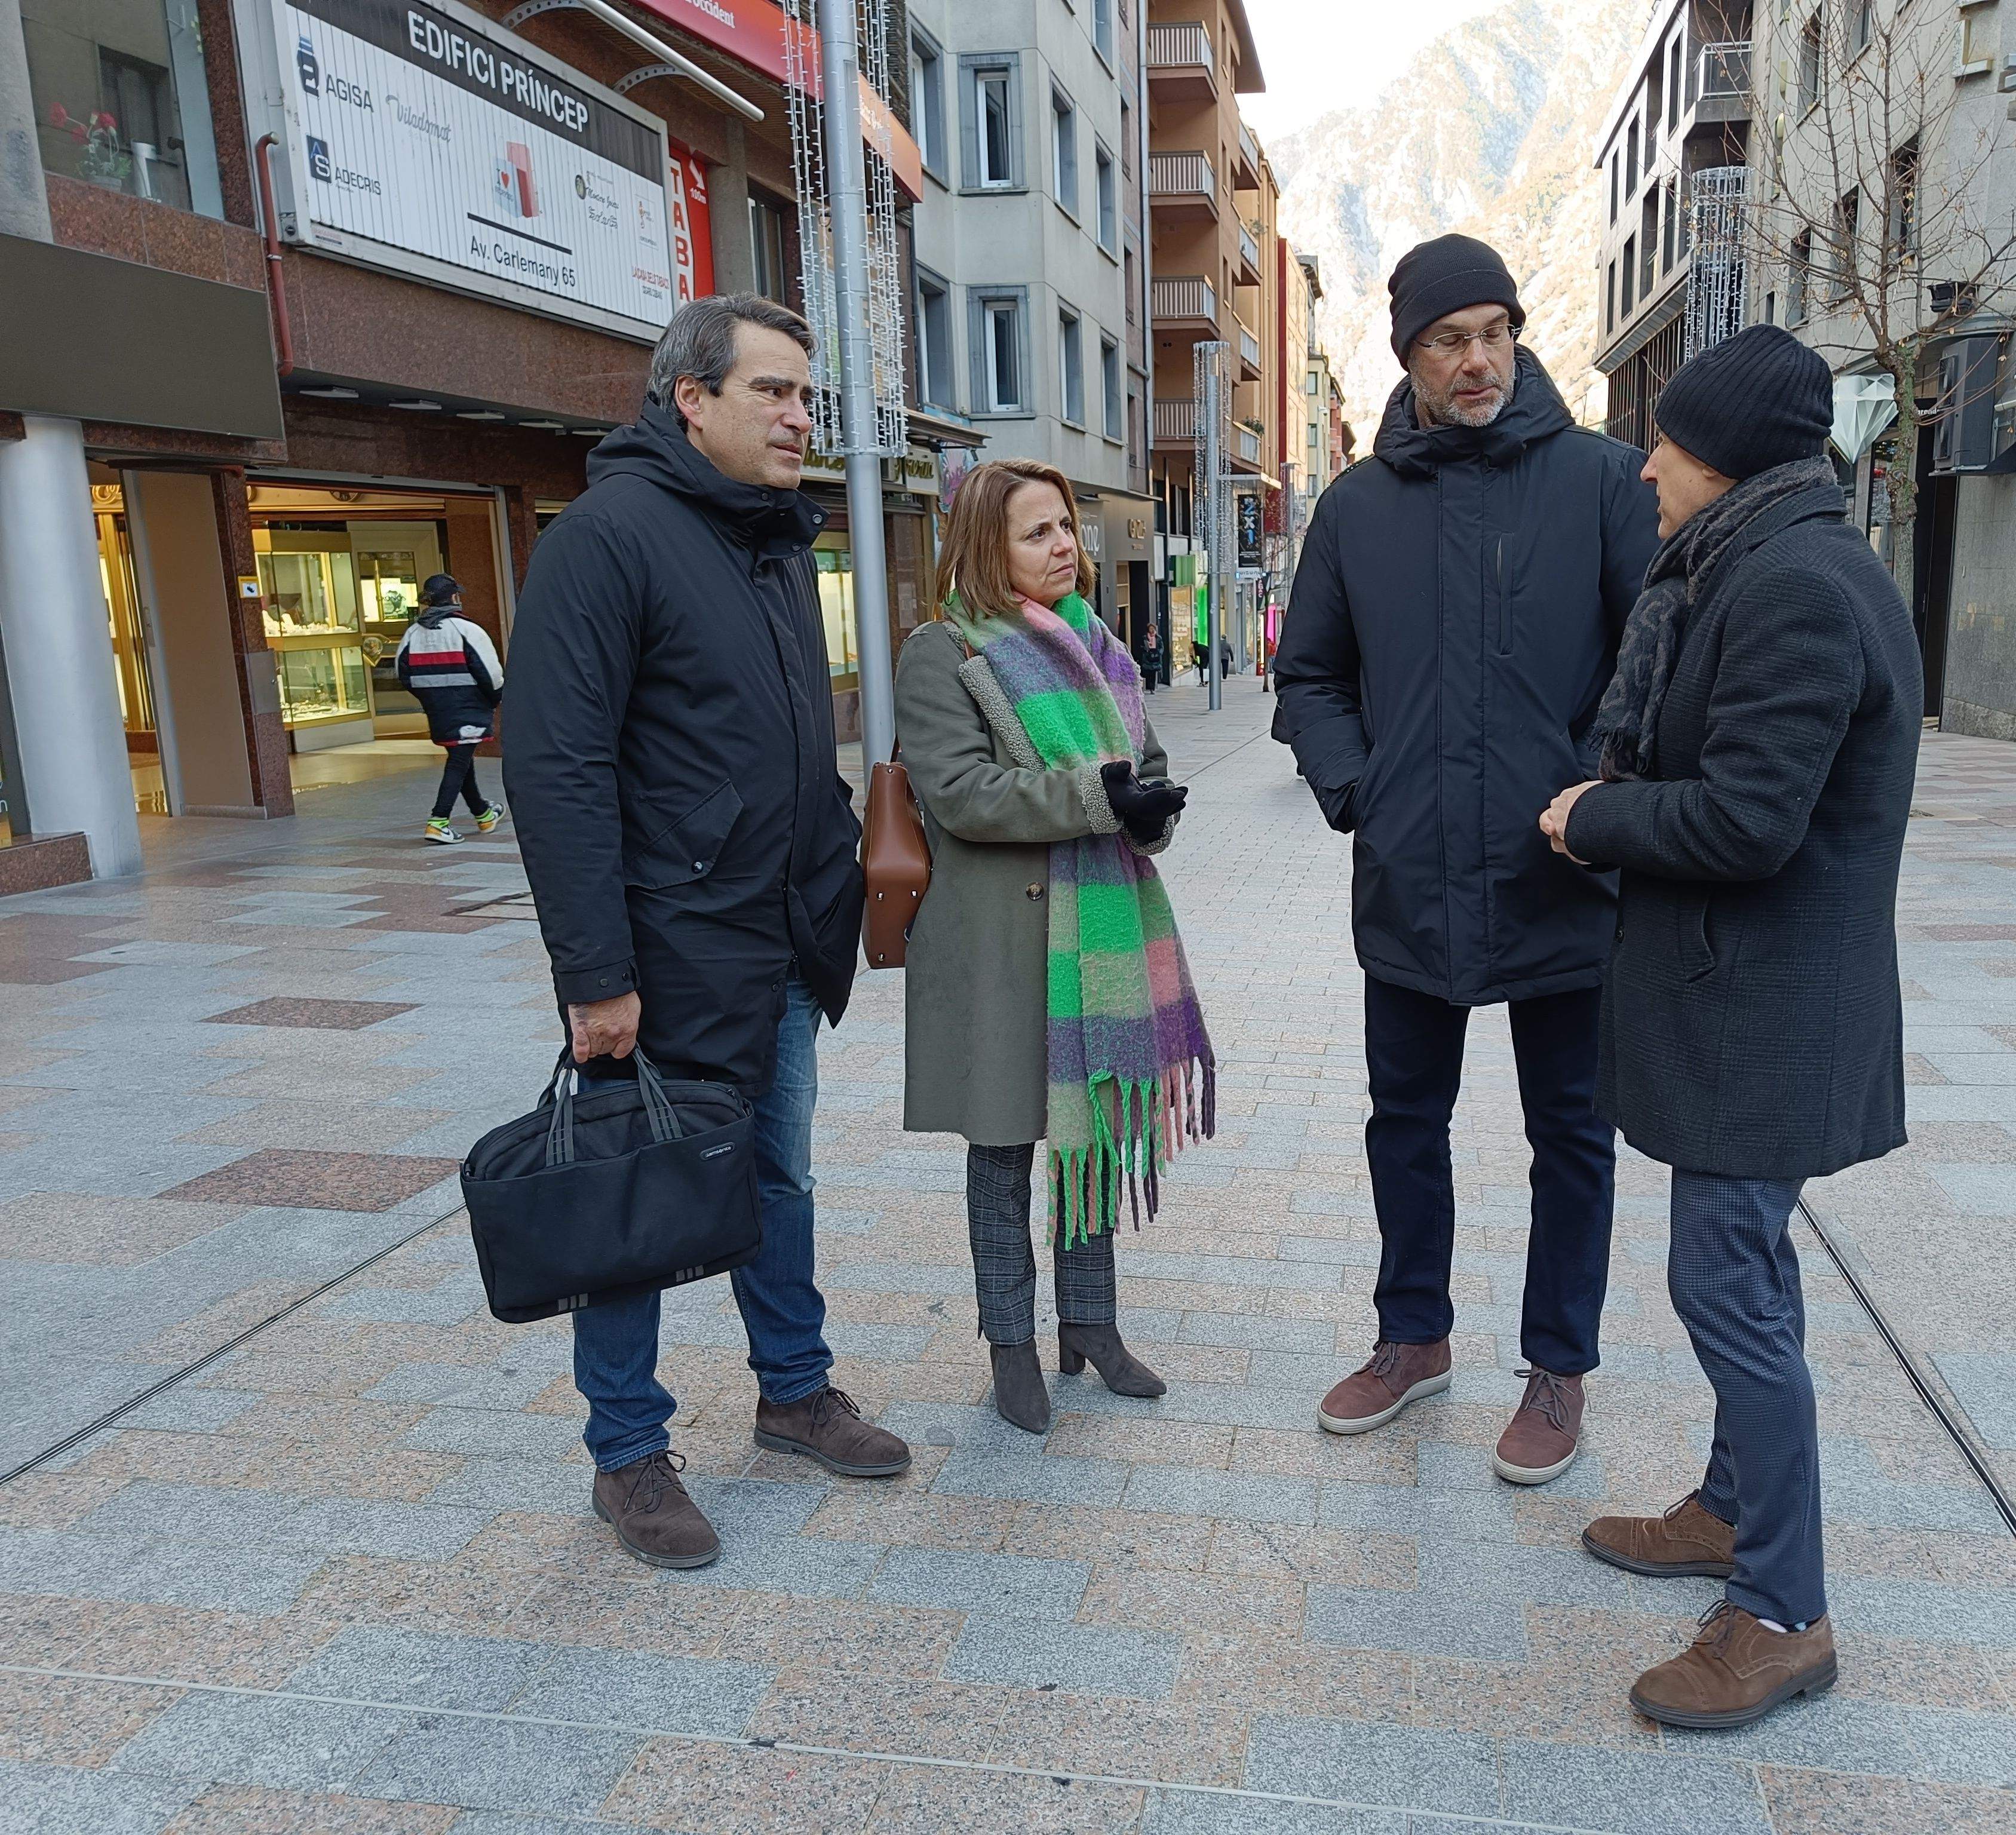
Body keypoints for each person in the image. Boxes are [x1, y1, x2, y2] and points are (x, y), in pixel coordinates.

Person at [1538, 324, 1920, 1730]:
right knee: (1746, 1272)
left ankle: (1780, 1606)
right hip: (1748, 1005)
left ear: (1733, 457)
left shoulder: (1798, 586)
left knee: (1725, 1287)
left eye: (1672, 442)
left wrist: (1596, 814)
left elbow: (1751, 819)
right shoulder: (1764, 562)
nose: (1648, 463)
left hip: (1763, 1017)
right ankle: (1730, 1508)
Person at [504, 294, 909, 1572]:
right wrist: (596, 975)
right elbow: (553, 766)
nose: (801, 417)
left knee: (773, 1179)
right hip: (664, 954)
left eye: (806, 396)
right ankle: (627, 1455)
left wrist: (837, 871)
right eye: (774, 393)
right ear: (692, 400)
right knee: (633, 1197)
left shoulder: (771, 541)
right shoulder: (608, 538)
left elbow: (789, 743)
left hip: (779, 940)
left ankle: (794, 1391)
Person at [1272, 234, 1658, 1484]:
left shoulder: (1602, 482)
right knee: (1403, 1120)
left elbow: (1649, 665)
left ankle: (1557, 1367)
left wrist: (1591, 789)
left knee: (1571, 1133)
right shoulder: (1355, 506)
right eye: (1447, 339)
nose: (1476, 358)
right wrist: (1357, 791)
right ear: (1409, 358)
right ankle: (1411, 1336)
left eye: (1493, 330)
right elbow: (1311, 675)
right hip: (1412, 867)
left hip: (1564, 873)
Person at [895, 459, 1215, 1433]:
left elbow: (1141, 763)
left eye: (1066, 525)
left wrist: (1148, 810)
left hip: (1098, 936)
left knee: (1094, 1136)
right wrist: (1097, 798)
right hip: (999, 947)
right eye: (1037, 532)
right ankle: (1010, 1347)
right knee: (1002, 1156)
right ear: (987, 548)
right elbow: (960, 795)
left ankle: (1092, 1325)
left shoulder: (1100, 646)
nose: (1065, 544)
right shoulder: (943, 651)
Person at [391, 574, 504, 844]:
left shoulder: (413, 633)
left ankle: (483, 813)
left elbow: (402, 672)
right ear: (454, 598)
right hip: (469, 705)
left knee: (461, 758)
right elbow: (492, 675)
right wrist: (493, 700)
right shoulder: (468, 630)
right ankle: (438, 821)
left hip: (437, 709)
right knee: (459, 761)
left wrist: (431, 698)